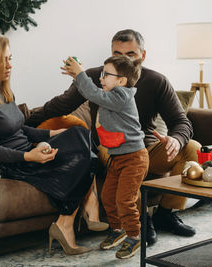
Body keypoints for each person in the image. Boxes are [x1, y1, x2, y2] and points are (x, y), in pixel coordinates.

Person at [25, 29, 201, 246]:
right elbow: (61, 105)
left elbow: (181, 122)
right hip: (109, 147)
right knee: (126, 160)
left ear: (143, 55)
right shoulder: (95, 78)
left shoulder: (156, 81)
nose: (123, 60)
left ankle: (165, 213)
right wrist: (25, 121)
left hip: (146, 148)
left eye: (131, 55)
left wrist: (176, 139)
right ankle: (140, 219)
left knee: (192, 147)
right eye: (117, 53)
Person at [0, 33, 108, 256]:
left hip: (31, 151)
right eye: (3, 60)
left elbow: (20, 129)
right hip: (16, 163)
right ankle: (79, 211)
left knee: (81, 134)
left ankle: (69, 219)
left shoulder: (3, 90)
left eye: (10, 58)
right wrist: (29, 156)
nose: (10, 65)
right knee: (82, 144)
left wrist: (50, 133)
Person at [62, 55, 149, 259]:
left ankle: (135, 236)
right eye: (102, 74)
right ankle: (118, 231)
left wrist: (81, 74)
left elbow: (95, 94)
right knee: (108, 197)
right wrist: (77, 76)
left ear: (121, 81)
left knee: (124, 200)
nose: (101, 78)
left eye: (106, 75)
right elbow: (91, 92)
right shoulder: (110, 94)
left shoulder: (122, 96)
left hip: (135, 158)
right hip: (117, 158)